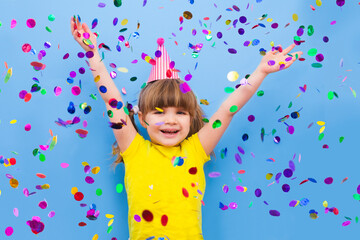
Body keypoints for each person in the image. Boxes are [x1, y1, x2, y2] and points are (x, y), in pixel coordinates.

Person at [70, 15, 303, 240]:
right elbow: (112, 101)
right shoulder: (134, 148)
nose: (171, 120)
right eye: (159, 112)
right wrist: (92, 53)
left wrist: (261, 70)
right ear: (142, 119)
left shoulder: (195, 149)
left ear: (191, 118)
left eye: (180, 113)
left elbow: (229, 109)